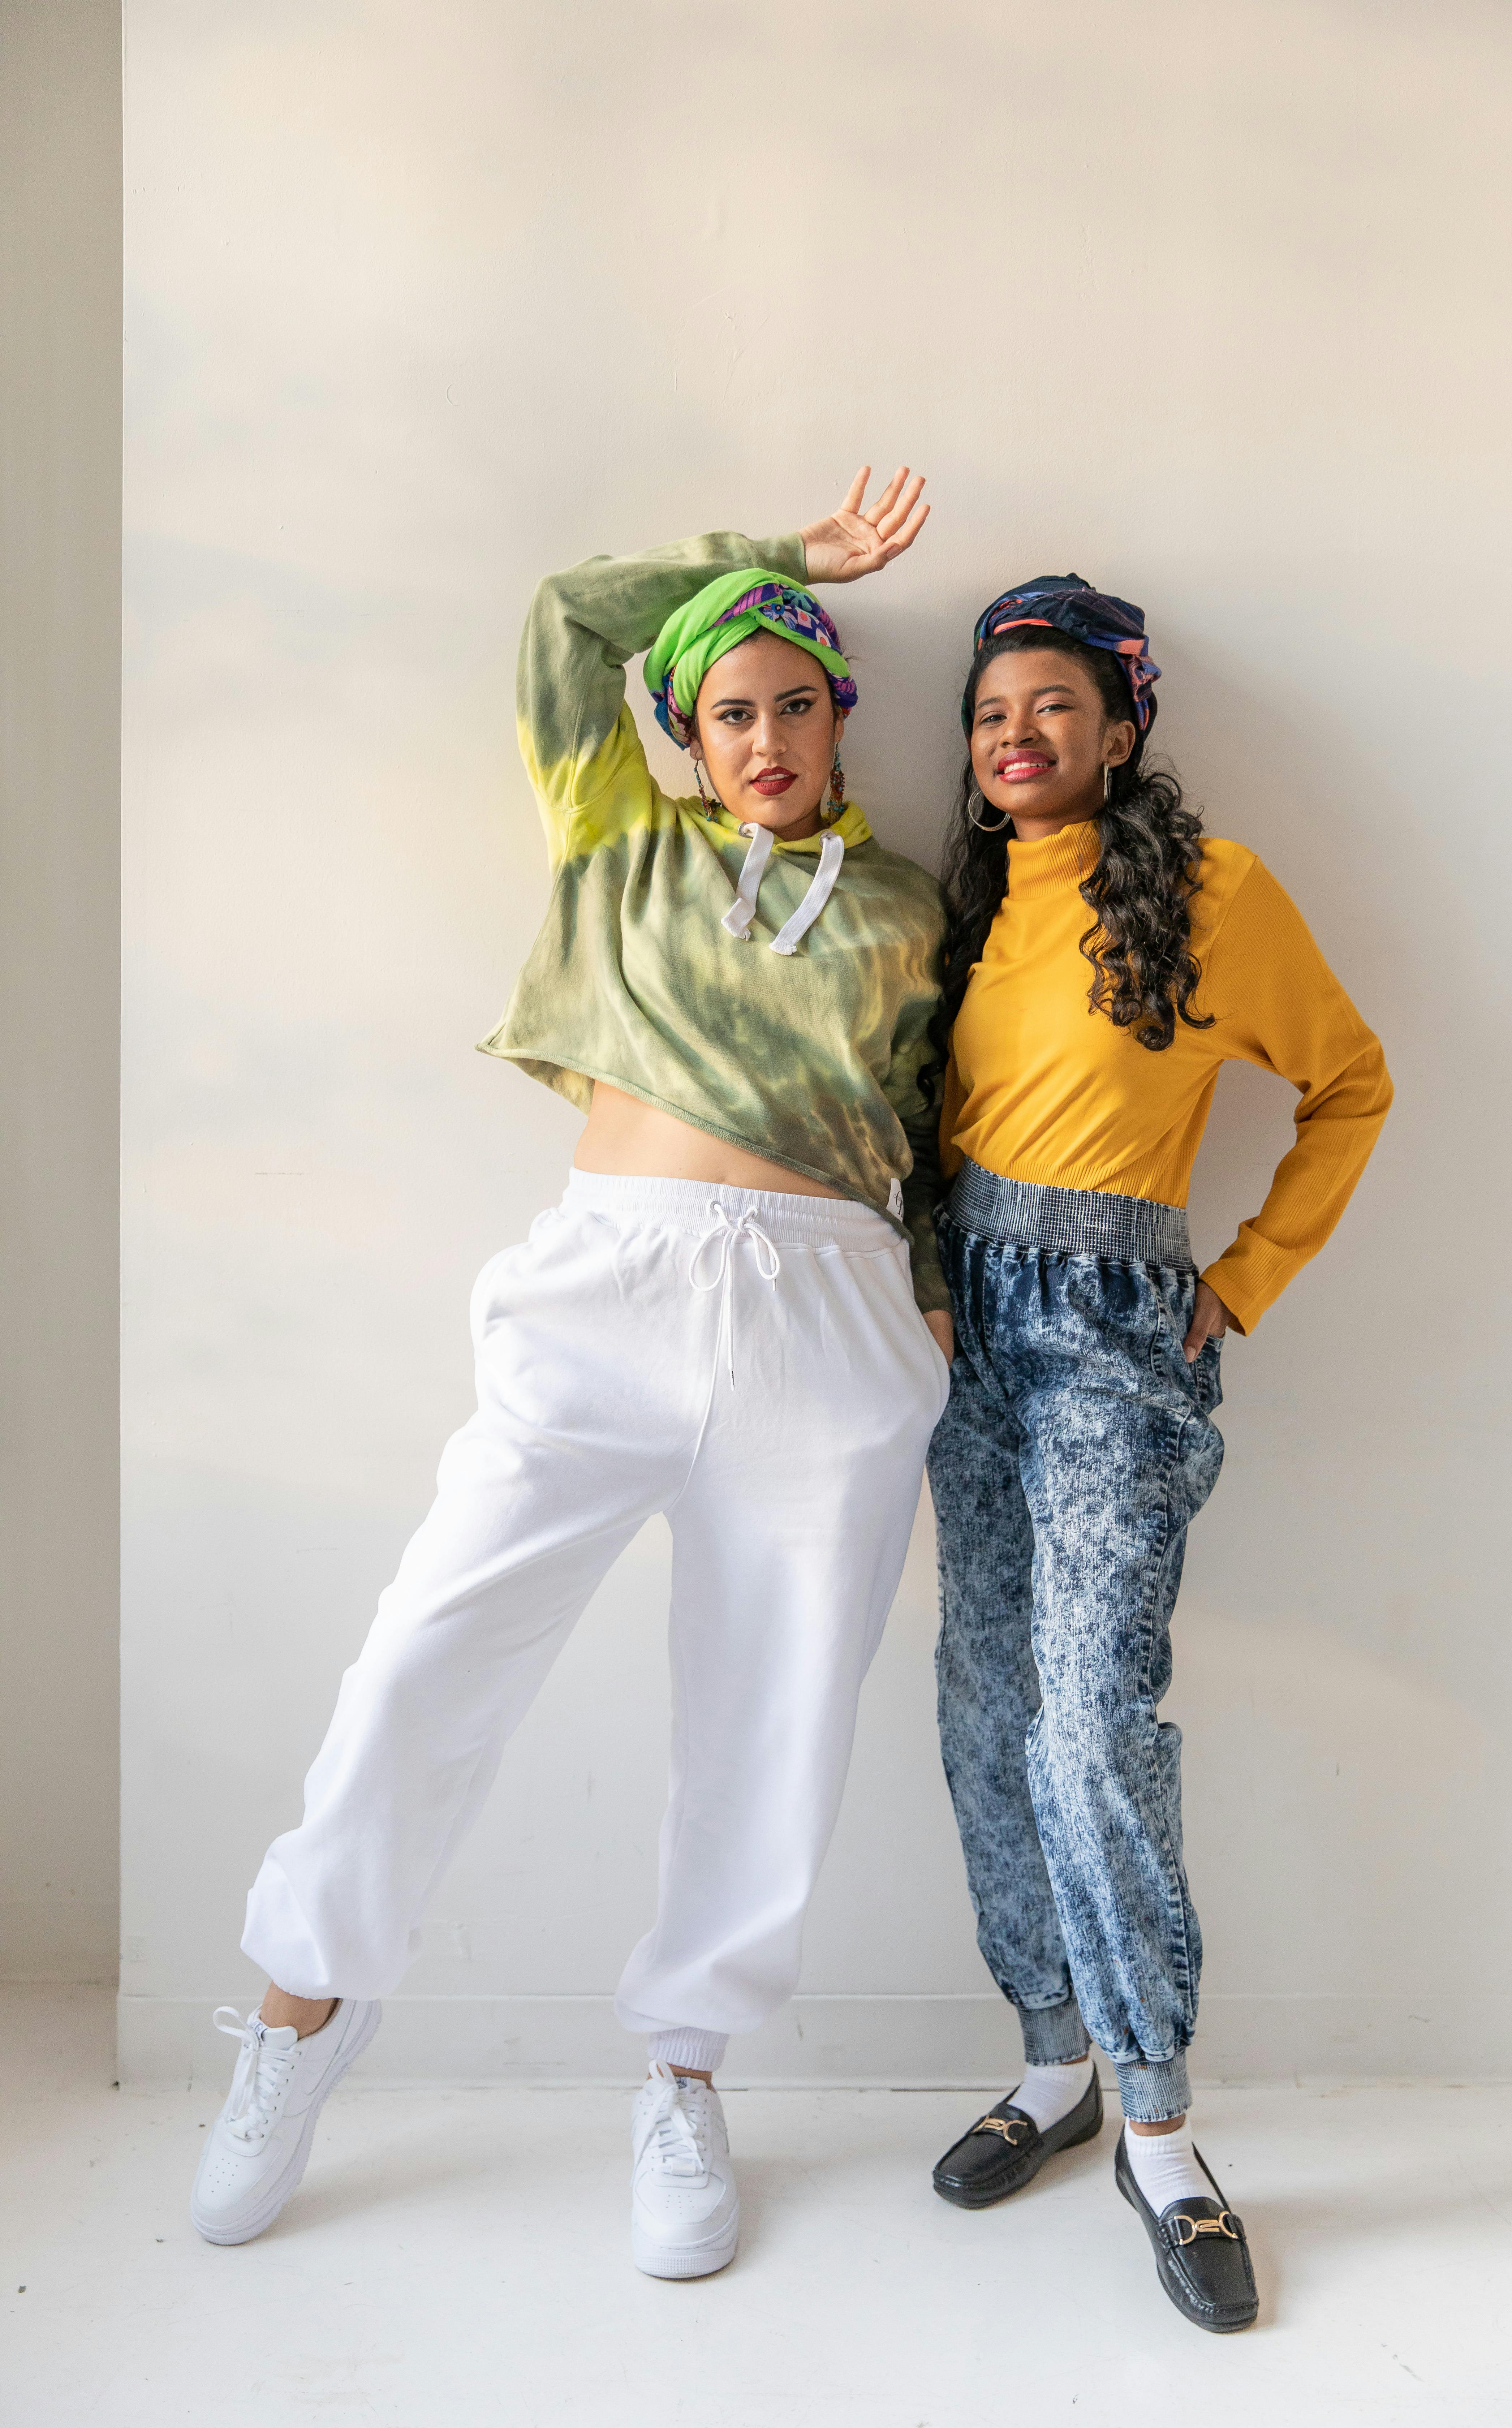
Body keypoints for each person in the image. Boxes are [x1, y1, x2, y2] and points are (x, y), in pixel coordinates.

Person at [190, 468, 954, 2279]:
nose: (761, 735)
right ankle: (303, 2012)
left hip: (834, 1324)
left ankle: (682, 2071)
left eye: (792, 697)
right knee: (430, 1647)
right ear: (685, 736)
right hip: (609, 1295)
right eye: (726, 711)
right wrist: (776, 556)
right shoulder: (619, 843)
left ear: (841, 709)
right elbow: (563, 619)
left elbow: (946, 1125)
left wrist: (922, 1304)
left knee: (769, 1720)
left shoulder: (916, 906)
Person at [923, 574, 1391, 2332]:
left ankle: (1162, 2125)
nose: (1014, 735)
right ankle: (1050, 2064)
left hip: (1116, 1334)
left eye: (1050, 705)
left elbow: (1350, 1083)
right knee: (982, 1703)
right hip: (966, 1327)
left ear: (1120, 726)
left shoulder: (1211, 892)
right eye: (987, 714)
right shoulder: (966, 906)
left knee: (1092, 1710)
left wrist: (1244, 1281)